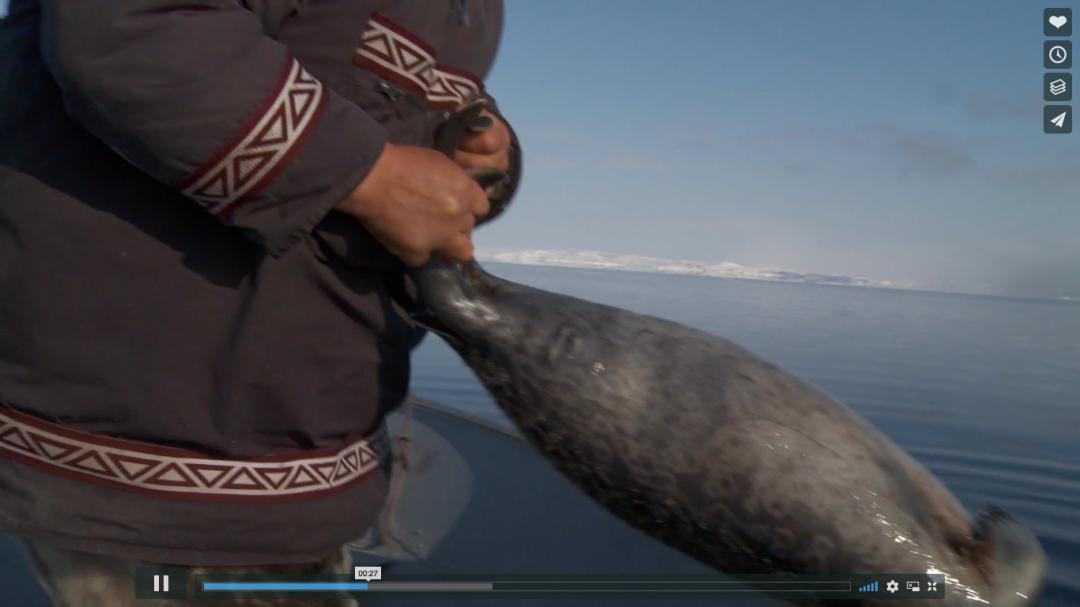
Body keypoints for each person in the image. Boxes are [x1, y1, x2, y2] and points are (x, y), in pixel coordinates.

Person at [0, 0, 520, 605]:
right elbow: (134, 27)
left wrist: (479, 169)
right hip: (150, 474)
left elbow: (393, 131)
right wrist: (368, 176)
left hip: (308, 463)